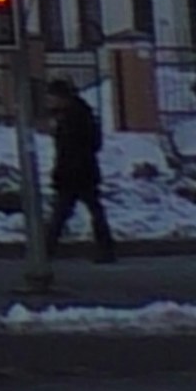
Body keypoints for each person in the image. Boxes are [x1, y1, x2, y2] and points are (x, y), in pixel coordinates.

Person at [42, 77, 117, 265]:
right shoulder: (72, 113)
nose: (50, 101)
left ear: (62, 97)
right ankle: (47, 250)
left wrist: (68, 168)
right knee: (79, 211)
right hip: (79, 171)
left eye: (52, 97)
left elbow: (82, 145)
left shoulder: (76, 115)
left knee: (66, 212)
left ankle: (46, 251)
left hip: (77, 172)